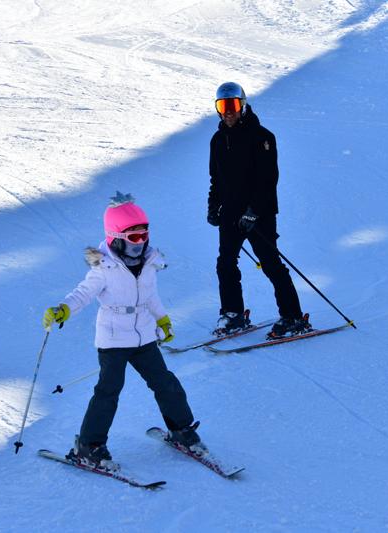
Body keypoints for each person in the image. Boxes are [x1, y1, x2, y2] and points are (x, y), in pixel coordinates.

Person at [43, 192, 204, 471]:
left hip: (143, 334)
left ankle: (181, 429)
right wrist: (64, 308)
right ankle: (89, 446)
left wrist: (162, 320)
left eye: (144, 235)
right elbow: (83, 293)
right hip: (113, 337)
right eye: (133, 238)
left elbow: (150, 296)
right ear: (116, 238)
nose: (140, 244)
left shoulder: (150, 262)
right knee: (109, 391)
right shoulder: (104, 268)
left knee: (165, 382)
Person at [207, 82, 310, 339]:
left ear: (242, 105)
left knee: (271, 263)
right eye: (223, 106)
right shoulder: (218, 140)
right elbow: (216, 180)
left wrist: (253, 212)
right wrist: (213, 207)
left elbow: (268, 180)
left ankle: (292, 316)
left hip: (259, 214)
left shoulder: (262, 137)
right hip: (230, 214)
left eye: (232, 105)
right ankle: (233, 314)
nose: (228, 112)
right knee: (225, 263)